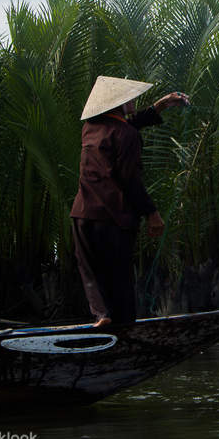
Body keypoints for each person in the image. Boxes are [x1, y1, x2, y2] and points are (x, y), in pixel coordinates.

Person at [70, 76, 190, 327]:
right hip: (113, 216)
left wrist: (161, 106)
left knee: (90, 271)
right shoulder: (127, 135)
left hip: (82, 214)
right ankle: (124, 330)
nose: (133, 100)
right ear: (118, 104)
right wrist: (152, 213)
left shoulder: (91, 128)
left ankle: (102, 316)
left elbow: (126, 126)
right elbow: (130, 181)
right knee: (119, 274)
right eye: (129, 98)